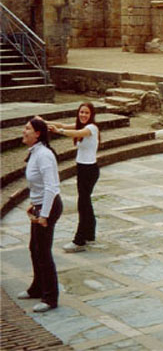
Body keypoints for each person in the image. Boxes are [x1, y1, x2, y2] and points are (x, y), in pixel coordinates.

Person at [18, 117, 63, 312]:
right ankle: (37, 288)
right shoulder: (35, 152)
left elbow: (51, 187)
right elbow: (37, 184)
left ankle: (50, 298)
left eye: (27, 128)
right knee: (34, 248)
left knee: (43, 252)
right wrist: (33, 204)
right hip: (39, 205)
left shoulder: (44, 155)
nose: (23, 131)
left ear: (37, 133)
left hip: (49, 207)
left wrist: (44, 214)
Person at [46, 102, 100, 252]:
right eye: (81, 112)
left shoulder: (91, 128)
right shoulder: (80, 125)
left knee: (83, 204)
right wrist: (44, 122)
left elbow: (76, 134)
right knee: (86, 202)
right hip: (82, 169)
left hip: (89, 170)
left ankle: (79, 240)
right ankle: (89, 234)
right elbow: (64, 124)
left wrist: (59, 131)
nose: (83, 115)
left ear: (91, 115)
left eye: (86, 113)